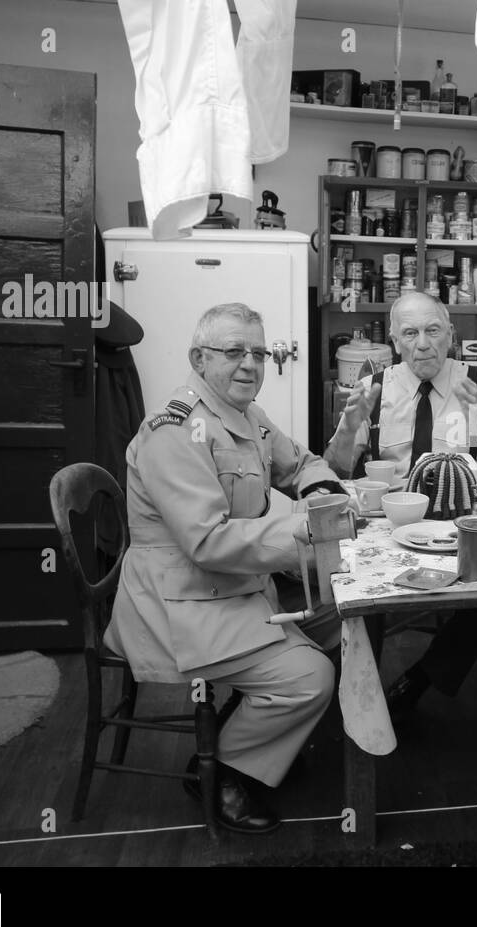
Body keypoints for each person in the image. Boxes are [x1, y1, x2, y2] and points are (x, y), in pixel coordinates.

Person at [105, 302, 343, 834]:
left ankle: (261, 735)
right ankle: (221, 773)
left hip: (232, 586)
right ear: (198, 357)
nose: (250, 364)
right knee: (311, 677)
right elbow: (207, 541)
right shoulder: (175, 430)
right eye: (234, 352)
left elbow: (300, 464)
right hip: (178, 601)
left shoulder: (244, 414)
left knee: (339, 619)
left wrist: (323, 494)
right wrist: (303, 531)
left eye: (258, 353)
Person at [324, 291, 477, 716]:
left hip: (466, 529)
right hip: (388, 530)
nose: (423, 343)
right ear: (396, 342)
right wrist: (348, 426)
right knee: (354, 592)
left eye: (433, 331)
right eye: (411, 333)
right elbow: (336, 470)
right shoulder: (373, 389)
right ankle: (355, 701)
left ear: (450, 335)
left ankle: (415, 683)